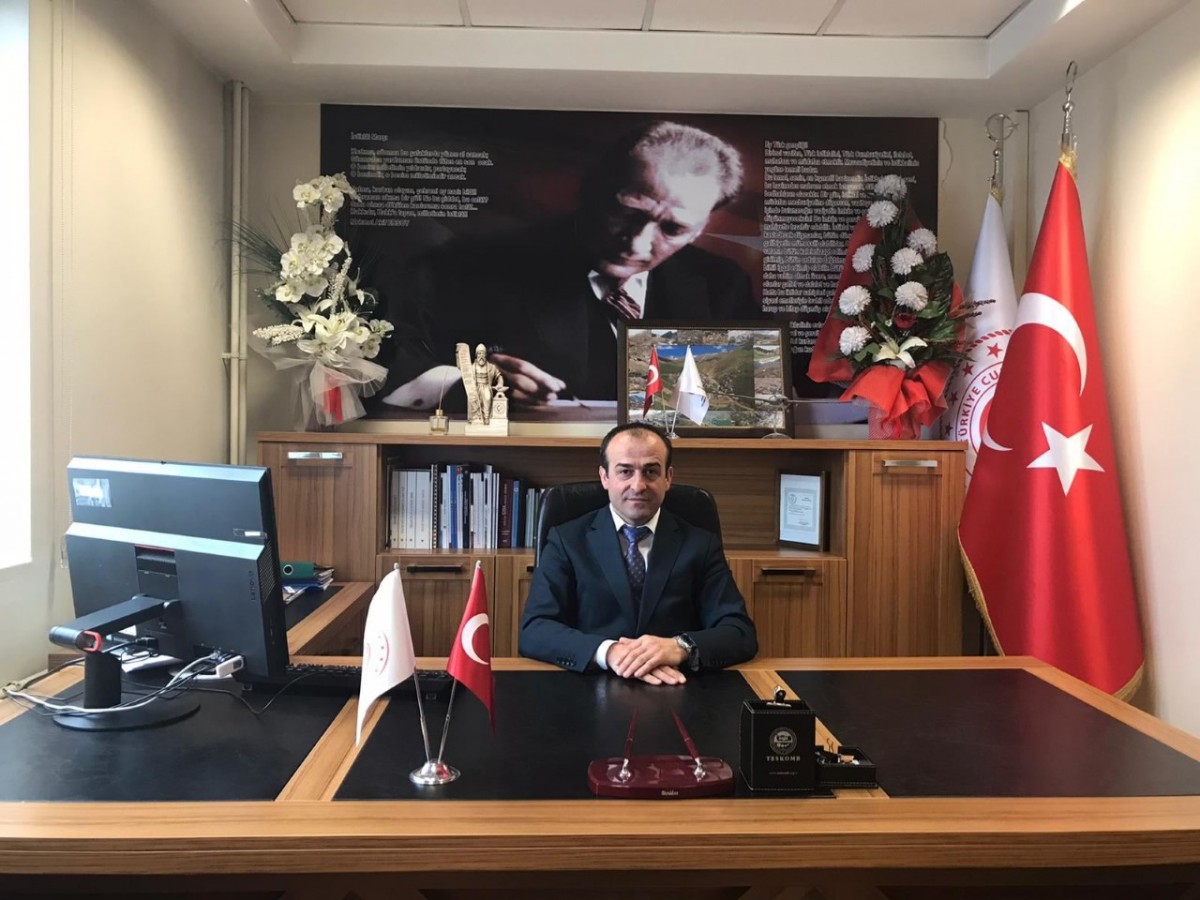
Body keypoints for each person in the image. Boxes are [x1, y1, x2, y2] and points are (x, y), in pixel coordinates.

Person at [378, 121, 760, 411]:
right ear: (591, 189)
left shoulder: (722, 284)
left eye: (673, 229)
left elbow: (749, 402)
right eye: (627, 211)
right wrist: (470, 386)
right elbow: (387, 367)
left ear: (700, 229)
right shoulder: (467, 266)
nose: (636, 243)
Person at [519, 422, 757, 684]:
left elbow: (740, 632)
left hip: (677, 685)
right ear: (604, 477)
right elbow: (535, 630)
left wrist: (680, 647)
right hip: (590, 684)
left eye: (651, 471)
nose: (638, 485)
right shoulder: (567, 540)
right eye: (625, 471)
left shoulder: (700, 544)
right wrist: (609, 652)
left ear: (668, 477)